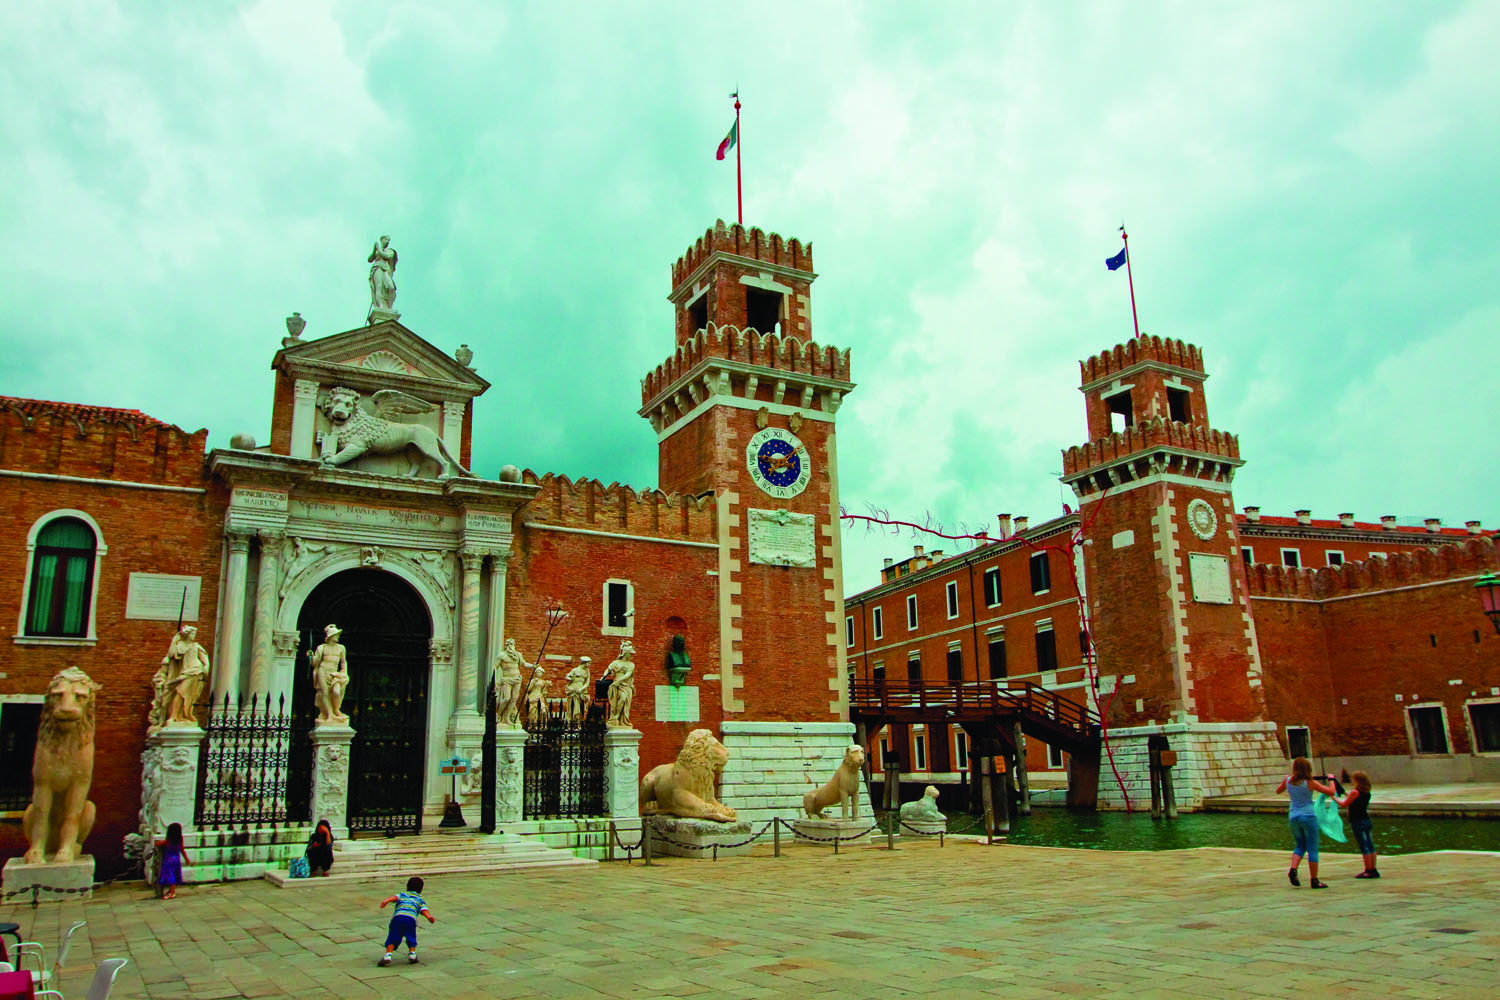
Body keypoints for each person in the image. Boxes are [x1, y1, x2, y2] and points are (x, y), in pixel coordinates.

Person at [1276, 757, 1339, 889]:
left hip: (1294, 817)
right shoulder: (1310, 782)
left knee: (1300, 845)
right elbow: (1331, 792)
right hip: (1309, 817)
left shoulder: (1288, 780)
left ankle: (1293, 869)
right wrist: (1332, 779)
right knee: (1312, 849)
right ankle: (1314, 880)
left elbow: (1278, 791)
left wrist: (1287, 781)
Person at [378, 876, 435, 966]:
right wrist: (429, 917)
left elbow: (394, 898)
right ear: (421, 889)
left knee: (393, 936)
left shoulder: (403, 894)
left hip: (397, 918)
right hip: (410, 919)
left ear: (407, 886)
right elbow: (423, 910)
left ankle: (388, 955)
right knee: (411, 936)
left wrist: (386, 901)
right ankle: (412, 954)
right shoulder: (420, 899)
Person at [1334, 769, 1380, 879]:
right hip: (1366, 820)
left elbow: (1344, 804)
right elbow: (1352, 799)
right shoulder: (1367, 792)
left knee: (1364, 846)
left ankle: (1368, 870)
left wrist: (1333, 797)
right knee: (1370, 845)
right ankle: (1374, 869)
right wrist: (1343, 792)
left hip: (1357, 821)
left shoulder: (1355, 792)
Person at [311, 624, 350, 725]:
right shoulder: (322, 648)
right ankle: (329, 714)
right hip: (323, 672)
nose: (338, 636)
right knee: (325, 692)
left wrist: (344, 672)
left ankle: (336, 710)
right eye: (336, 634)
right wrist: (311, 656)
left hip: (334, 674)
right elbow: (316, 662)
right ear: (331, 636)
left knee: (336, 692)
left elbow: (343, 662)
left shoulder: (341, 648)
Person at [602, 640, 636, 728]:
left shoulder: (631, 664)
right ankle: (614, 717)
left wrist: (619, 680)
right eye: (630, 654)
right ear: (625, 653)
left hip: (625, 685)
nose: (632, 656)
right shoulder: (615, 663)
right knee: (615, 702)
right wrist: (604, 675)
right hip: (616, 685)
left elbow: (628, 674)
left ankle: (618, 716)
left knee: (623, 698)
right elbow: (608, 669)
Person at [157, 822, 190, 900]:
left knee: (170, 875)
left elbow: (158, 844)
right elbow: (182, 849)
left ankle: (172, 893)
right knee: (174, 874)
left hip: (168, 859)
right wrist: (186, 859)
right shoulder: (179, 839)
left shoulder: (168, 840)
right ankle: (171, 890)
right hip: (176, 858)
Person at [367, 235, 398, 317]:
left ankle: (389, 307)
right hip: (377, 267)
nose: (387, 242)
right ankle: (380, 306)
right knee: (379, 287)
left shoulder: (390, 251)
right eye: (386, 240)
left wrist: (379, 249)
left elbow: (387, 256)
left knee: (391, 287)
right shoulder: (377, 250)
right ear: (382, 240)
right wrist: (374, 250)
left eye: (388, 240)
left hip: (386, 270)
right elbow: (369, 259)